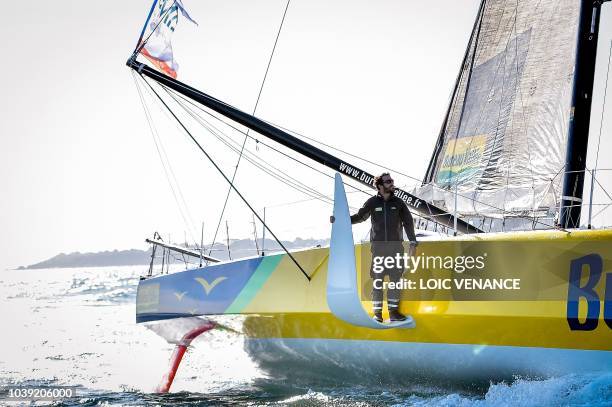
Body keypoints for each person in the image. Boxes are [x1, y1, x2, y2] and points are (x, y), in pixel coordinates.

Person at [342, 173, 418, 322]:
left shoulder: (399, 203)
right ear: (380, 186)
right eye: (388, 181)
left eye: (392, 181)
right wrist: (341, 219)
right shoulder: (372, 203)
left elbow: (408, 223)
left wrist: (413, 242)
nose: (391, 183)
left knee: (396, 281)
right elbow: (360, 217)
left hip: (396, 248)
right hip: (378, 249)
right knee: (378, 281)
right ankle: (377, 315)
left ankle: (393, 313)